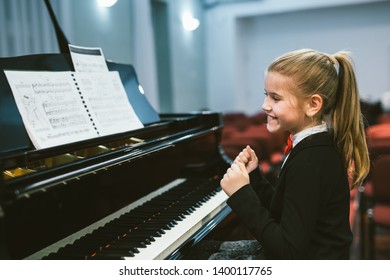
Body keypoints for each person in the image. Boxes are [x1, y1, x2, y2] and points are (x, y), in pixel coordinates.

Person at [218, 49, 370, 259]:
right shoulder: (313, 146)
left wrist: (241, 195)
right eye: (266, 95)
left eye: (276, 98)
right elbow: (288, 211)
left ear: (312, 105)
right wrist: (255, 179)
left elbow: (288, 251)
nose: (264, 105)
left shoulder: (310, 162)